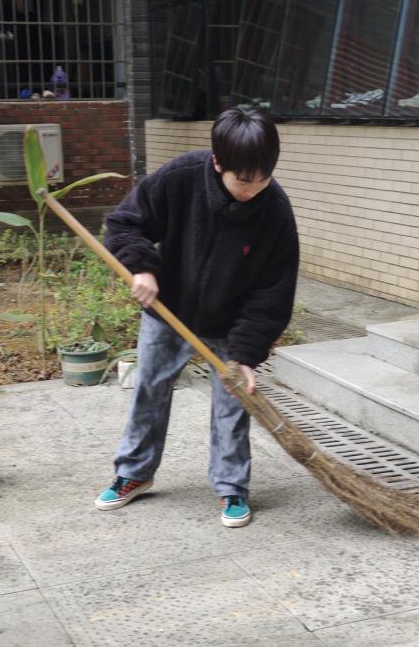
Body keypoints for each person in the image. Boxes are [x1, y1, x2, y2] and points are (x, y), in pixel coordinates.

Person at [95, 107, 299, 527]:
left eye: (263, 179)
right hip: (169, 310)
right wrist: (142, 267)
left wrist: (246, 354)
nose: (254, 189)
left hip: (230, 323)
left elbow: (272, 293)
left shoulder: (275, 211)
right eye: (244, 180)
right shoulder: (180, 177)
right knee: (149, 390)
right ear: (218, 163)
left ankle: (231, 486)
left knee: (232, 404)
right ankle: (134, 473)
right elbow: (125, 223)